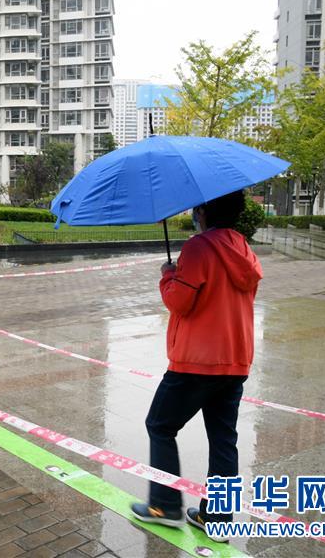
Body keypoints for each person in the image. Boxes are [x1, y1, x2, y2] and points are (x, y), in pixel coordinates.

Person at [130, 190, 262, 542]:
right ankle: (216, 519)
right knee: (223, 440)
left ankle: (164, 504)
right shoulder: (244, 249)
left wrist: (168, 275)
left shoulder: (199, 248)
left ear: (204, 211)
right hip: (234, 361)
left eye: (196, 208)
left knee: (159, 425)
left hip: (196, 362)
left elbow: (180, 302)